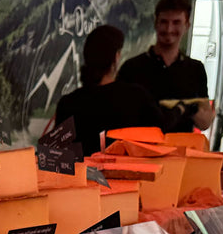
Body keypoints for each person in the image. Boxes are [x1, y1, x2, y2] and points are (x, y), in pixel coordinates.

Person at [54, 25, 164, 155]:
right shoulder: (137, 97)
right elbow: (160, 138)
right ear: (116, 57)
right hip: (131, 173)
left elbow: (56, 155)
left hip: (82, 174)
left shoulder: (68, 103)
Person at [117, 0, 214, 133]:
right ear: (155, 23)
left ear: (187, 25)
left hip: (181, 152)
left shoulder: (195, 69)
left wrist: (188, 108)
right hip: (139, 152)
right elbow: (119, 116)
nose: (169, 29)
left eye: (176, 22)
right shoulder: (132, 67)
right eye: (164, 22)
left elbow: (205, 123)